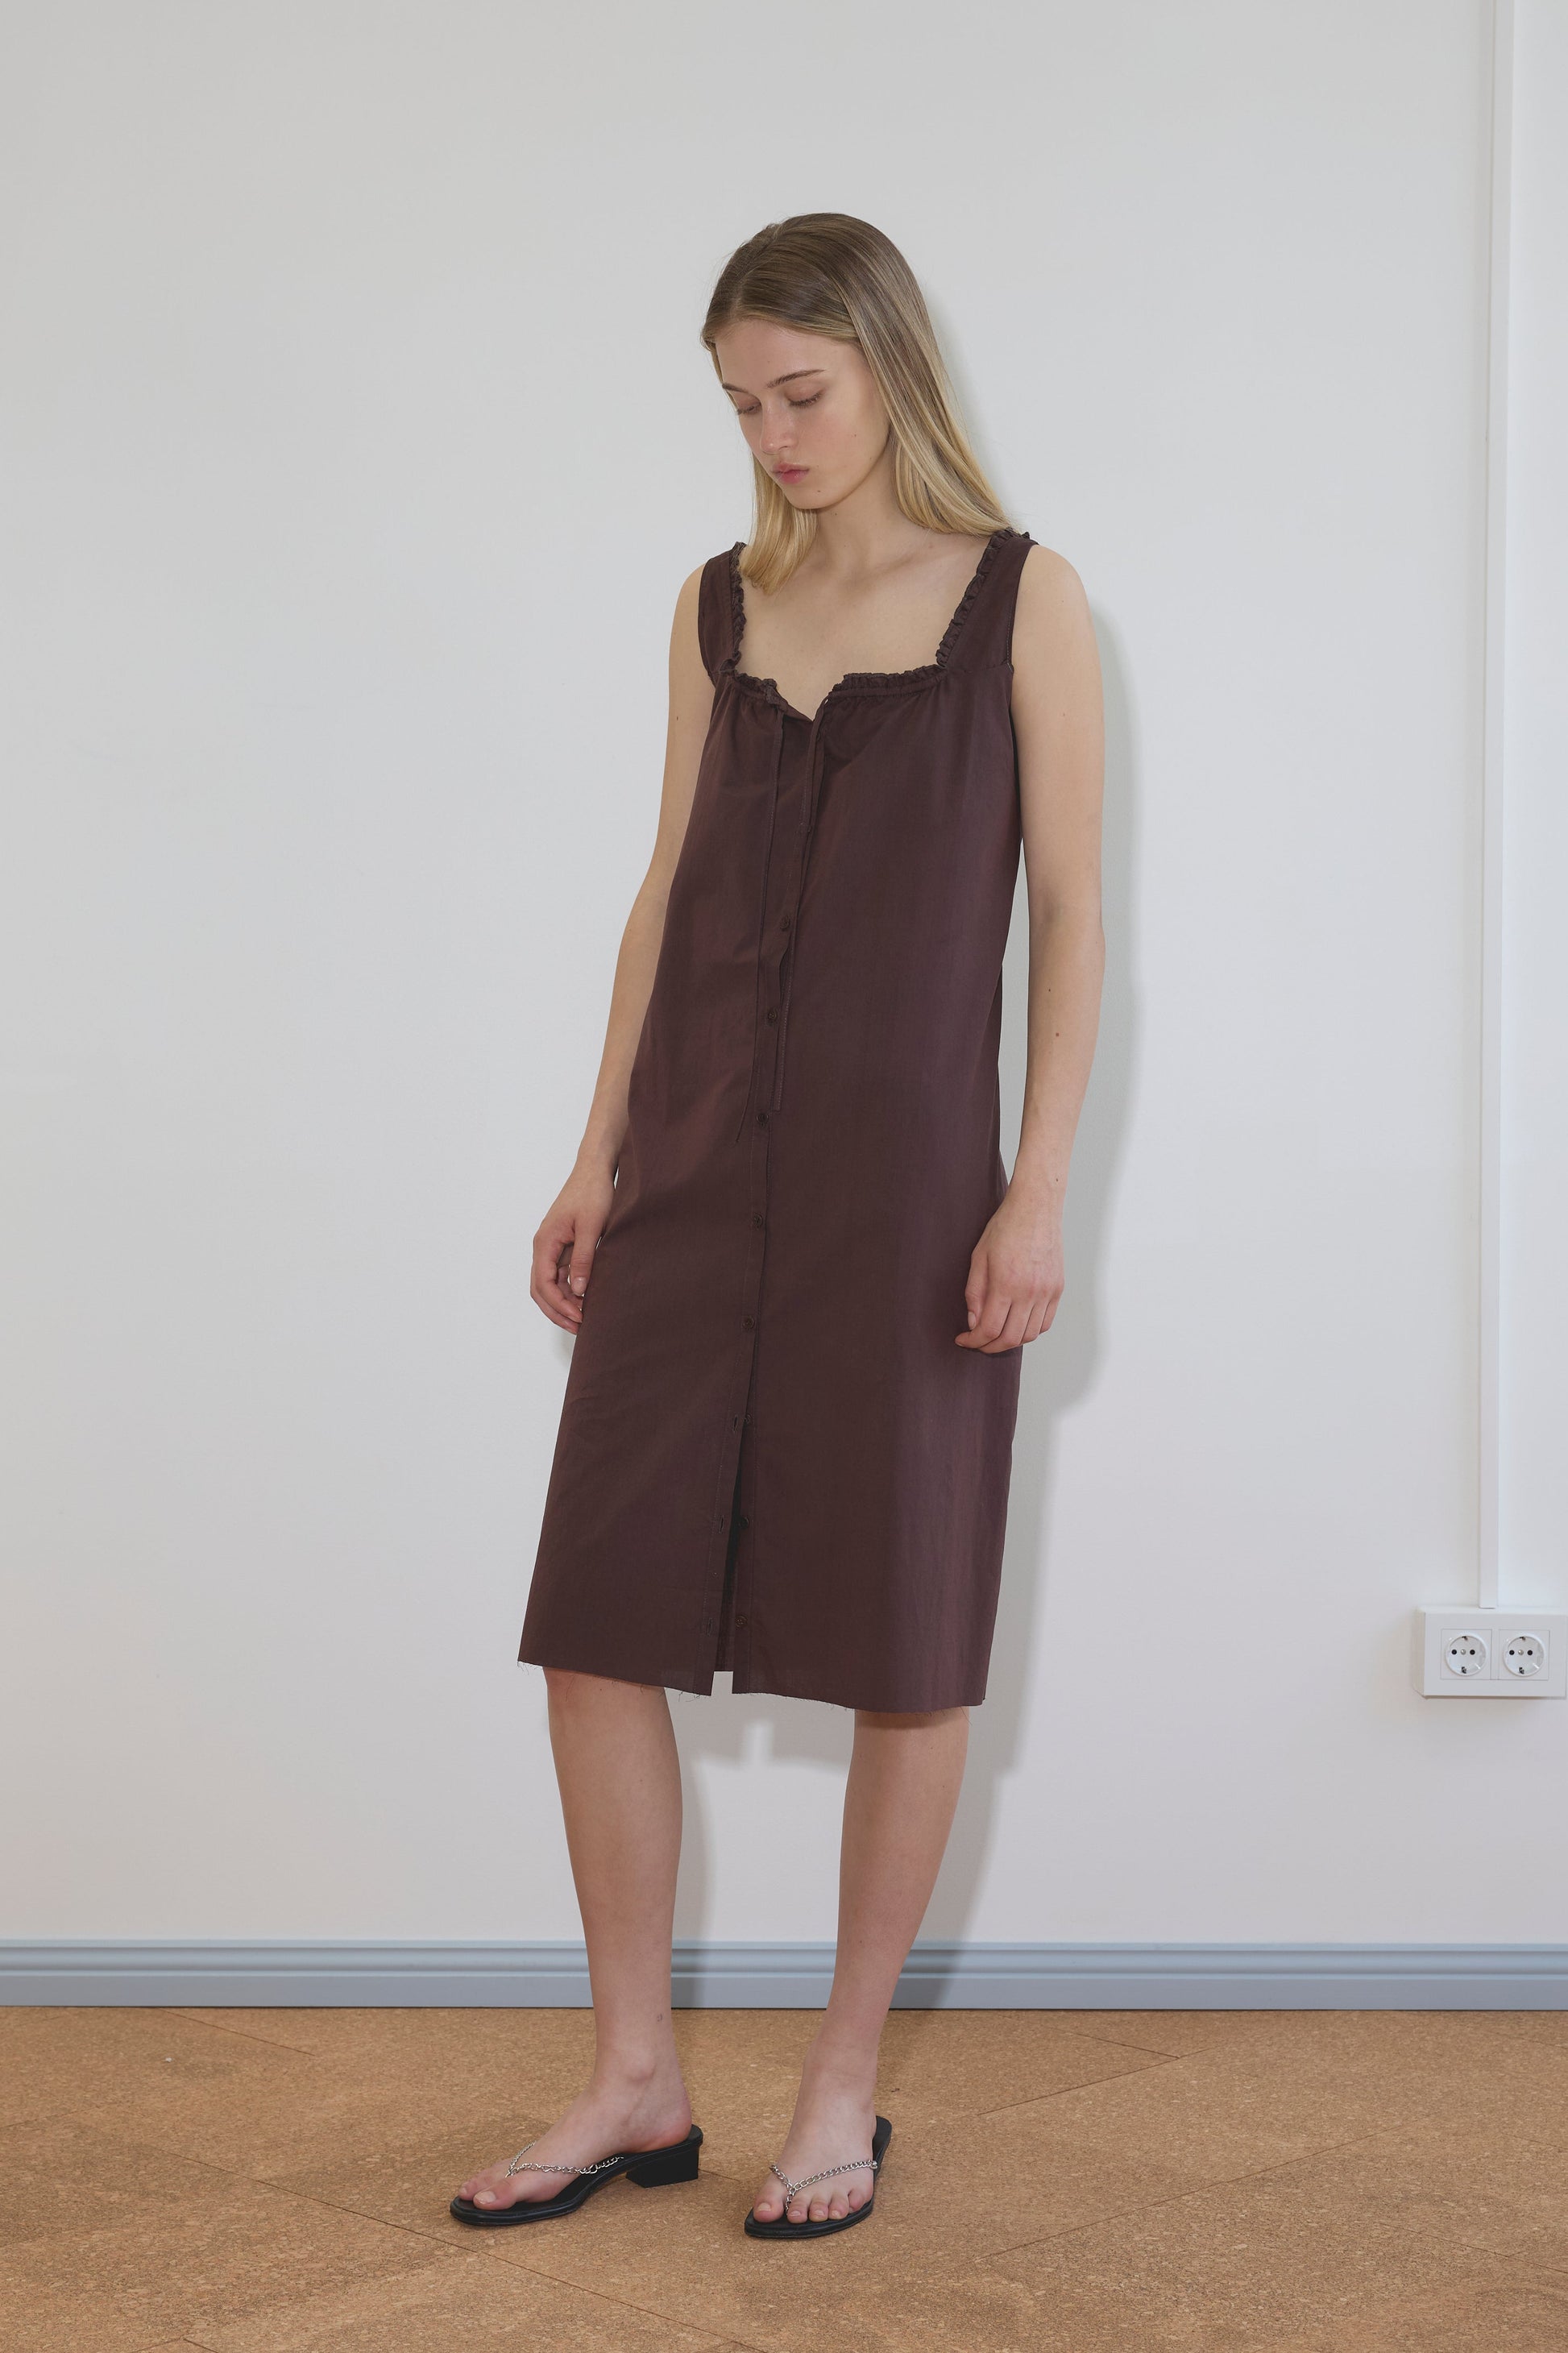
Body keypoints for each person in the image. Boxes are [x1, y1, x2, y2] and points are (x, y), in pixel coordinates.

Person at [452, 213, 1104, 2240]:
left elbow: (1073, 910)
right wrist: (593, 1155)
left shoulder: (1023, 598)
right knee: (595, 1616)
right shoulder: (719, 603)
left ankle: (839, 2084)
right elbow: (666, 887)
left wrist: (1036, 1179)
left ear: (887, 366)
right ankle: (635, 2073)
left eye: (799, 392)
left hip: (909, 1186)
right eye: (741, 404)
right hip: (696, 1162)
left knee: (902, 1635)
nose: (773, 433)